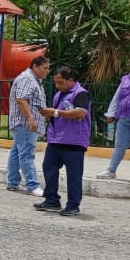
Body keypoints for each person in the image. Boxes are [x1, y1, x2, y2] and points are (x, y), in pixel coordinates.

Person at [34, 65, 92, 217]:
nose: (57, 85)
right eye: (56, 82)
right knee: (48, 168)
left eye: (60, 82)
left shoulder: (80, 93)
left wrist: (55, 112)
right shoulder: (59, 94)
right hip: (56, 140)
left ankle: (73, 205)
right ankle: (52, 199)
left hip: (74, 141)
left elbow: (80, 113)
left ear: (71, 80)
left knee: (73, 175)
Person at [6, 54, 50, 196]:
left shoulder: (34, 79)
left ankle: (13, 182)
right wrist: (31, 119)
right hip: (25, 123)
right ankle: (32, 185)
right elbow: (21, 99)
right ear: (35, 66)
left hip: (25, 122)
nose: (47, 71)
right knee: (27, 153)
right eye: (45, 68)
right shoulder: (27, 78)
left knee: (17, 151)